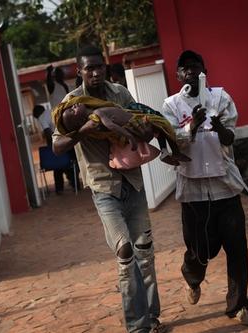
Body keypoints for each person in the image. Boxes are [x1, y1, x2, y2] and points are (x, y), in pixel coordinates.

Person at [53, 45, 165, 333]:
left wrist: (145, 130)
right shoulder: (70, 103)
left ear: (105, 67)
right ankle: (137, 327)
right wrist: (83, 131)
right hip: (104, 188)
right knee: (125, 252)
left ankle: (152, 319)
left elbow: (143, 121)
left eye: (98, 66)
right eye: (88, 68)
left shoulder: (120, 93)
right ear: (79, 71)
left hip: (133, 181)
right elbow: (57, 146)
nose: (94, 72)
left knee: (144, 250)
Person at [161, 50, 248, 326]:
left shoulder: (221, 98)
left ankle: (239, 305)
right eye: (185, 69)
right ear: (178, 75)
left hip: (224, 188)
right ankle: (192, 279)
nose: (190, 72)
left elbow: (230, 137)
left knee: (237, 247)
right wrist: (191, 127)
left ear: (205, 71)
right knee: (198, 252)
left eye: (196, 67)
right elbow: (171, 144)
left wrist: (217, 126)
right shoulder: (170, 105)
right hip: (193, 194)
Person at [52, 95, 191, 166]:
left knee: (161, 127)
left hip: (135, 114)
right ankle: (174, 152)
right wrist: (129, 136)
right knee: (163, 125)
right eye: (72, 110)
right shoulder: (97, 114)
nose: (73, 106)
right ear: (79, 121)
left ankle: (166, 152)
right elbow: (112, 126)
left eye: (71, 107)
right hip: (135, 119)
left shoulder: (96, 108)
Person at [33, 104, 76, 194]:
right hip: (69, 136)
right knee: (69, 163)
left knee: (57, 166)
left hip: (59, 141)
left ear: (37, 114)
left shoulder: (41, 117)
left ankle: (59, 189)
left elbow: (48, 133)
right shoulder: (51, 110)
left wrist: (52, 145)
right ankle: (75, 184)